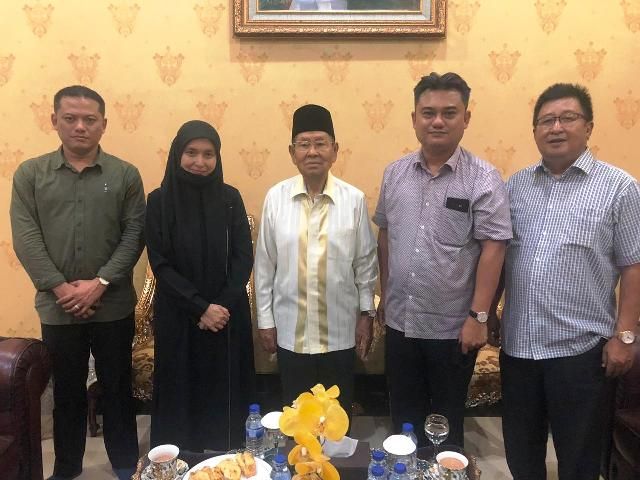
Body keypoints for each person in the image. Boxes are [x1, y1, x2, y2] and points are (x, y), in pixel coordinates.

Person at [498, 83, 640, 480]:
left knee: (578, 461)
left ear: (589, 127)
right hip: (519, 348)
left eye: (568, 118)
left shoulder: (619, 188)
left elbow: (634, 266)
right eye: (546, 120)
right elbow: (501, 256)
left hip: (580, 353)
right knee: (521, 456)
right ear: (535, 130)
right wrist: (488, 313)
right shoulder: (516, 186)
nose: (556, 127)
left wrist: (625, 336)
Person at [10, 85, 144, 480]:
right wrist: (61, 287)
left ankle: (126, 466)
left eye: (90, 119)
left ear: (104, 124)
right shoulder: (31, 174)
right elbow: (26, 237)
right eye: (70, 118)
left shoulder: (124, 175)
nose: (80, 127)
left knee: (118, 388)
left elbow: (134, 234)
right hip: (59, 307)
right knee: (66, 391)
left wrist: (100, 282)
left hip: (112, 304)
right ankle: (67, 468)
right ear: (54, 121)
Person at [373, 72, 512, 448]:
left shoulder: (483, 179)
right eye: (428, 112)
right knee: (403, 422)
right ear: (414, 118)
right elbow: (386, 234)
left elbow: (494, 248)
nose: (437, 121)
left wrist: (479, 317)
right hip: (401, 323)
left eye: (449, 113)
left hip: (453, 329)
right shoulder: (395, 173)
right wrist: (385, 292)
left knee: (445, 426)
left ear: (466, 118)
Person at [255, 104, 378, 420]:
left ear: (335, 151)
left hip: (339, 333)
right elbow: (265, 266)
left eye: (320, 143)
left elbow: (365, 264)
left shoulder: (353, 200)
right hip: (290, 333)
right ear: (292, 152)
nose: (312, 151)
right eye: (304, 144)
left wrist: (366, 316)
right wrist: (265, 320)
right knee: (296, 420)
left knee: (336, 420)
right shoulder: (275, 198)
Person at [145, 120, 255, 452]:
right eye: (191, 152)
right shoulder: (159, 201)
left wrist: (220, 306)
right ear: (177, 154)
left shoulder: (230, 199)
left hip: (226, 314)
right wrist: (200, 307)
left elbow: (243, 257)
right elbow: (160, 262)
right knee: (181, 388)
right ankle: (182, 459)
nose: (200, 161)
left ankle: (227, 459)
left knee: (225, 390)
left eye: (209, 154)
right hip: (179, 315)